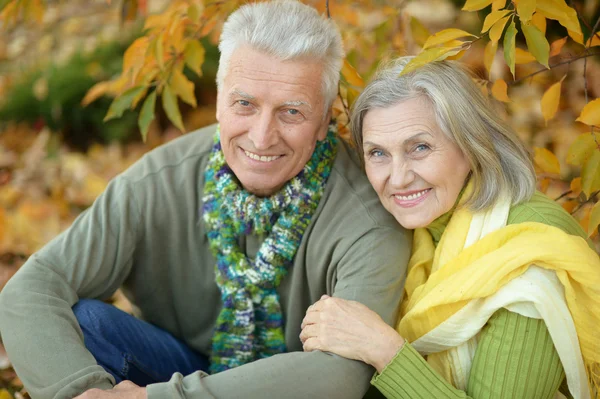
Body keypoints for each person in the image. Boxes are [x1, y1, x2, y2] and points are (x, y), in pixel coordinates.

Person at [0, 2, 412, 399]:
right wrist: (83, 394)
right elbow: (32, 289)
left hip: (294, 387)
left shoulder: (369, 216)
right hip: (172, 366)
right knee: (84, 321)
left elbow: (339, 377)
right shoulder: (159, 181)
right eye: (245, 104)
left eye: (291, 112)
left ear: (324, 122)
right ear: (218, 103)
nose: (262, 136)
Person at [300, 57, 600, 399]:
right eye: (378, 153)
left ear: (471, 145)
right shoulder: (419, 231)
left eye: (420, 147)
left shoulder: (530, 261)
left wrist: (382, 349)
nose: (397, 178)